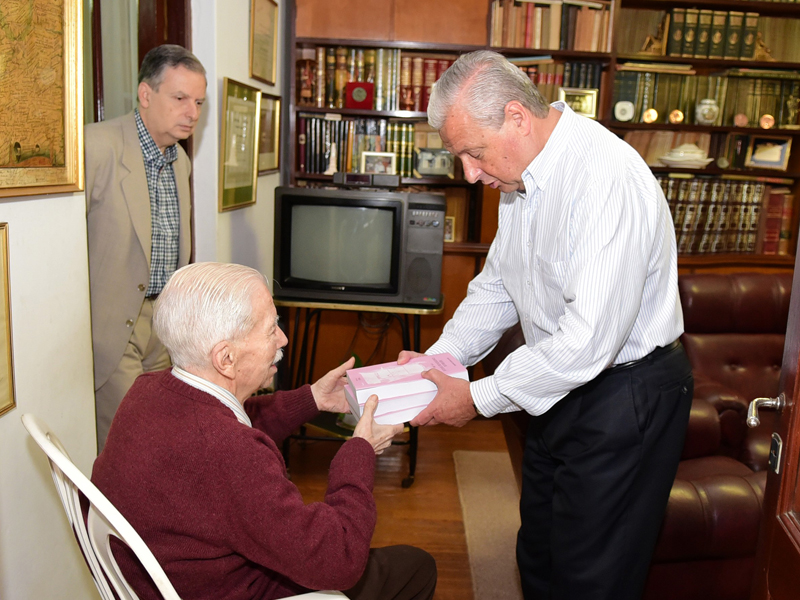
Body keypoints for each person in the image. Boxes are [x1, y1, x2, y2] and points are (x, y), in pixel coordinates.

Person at [400, 50, 694, 600]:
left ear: (516, 116)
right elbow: (498, 287)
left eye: (473, 153)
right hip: (557, 386)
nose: (470, 173)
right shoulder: (520, 176)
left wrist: (476, 398)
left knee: (592, 577)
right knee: (538, 554)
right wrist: (440, 360)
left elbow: (586, 342)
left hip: (624, 393)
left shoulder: (604, 177)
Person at [91, 262, 437, 600]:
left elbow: (227, 424)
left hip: (174, 577)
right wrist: (360, 450)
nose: (283, 338)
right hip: (232, 588)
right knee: (417, 566)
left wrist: (313, 398)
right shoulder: (230, 452)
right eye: (272, 329)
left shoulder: (147, 390)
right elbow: (338, 559)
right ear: (225, 358)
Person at [85, 44, 207, 450]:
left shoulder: (180, 161)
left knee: (160, 442)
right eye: (180, 98)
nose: (192, 112)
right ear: (145, 94)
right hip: (114, 325)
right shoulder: (96, 147)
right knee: (128, 445)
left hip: (164, 326)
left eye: (198, 102)